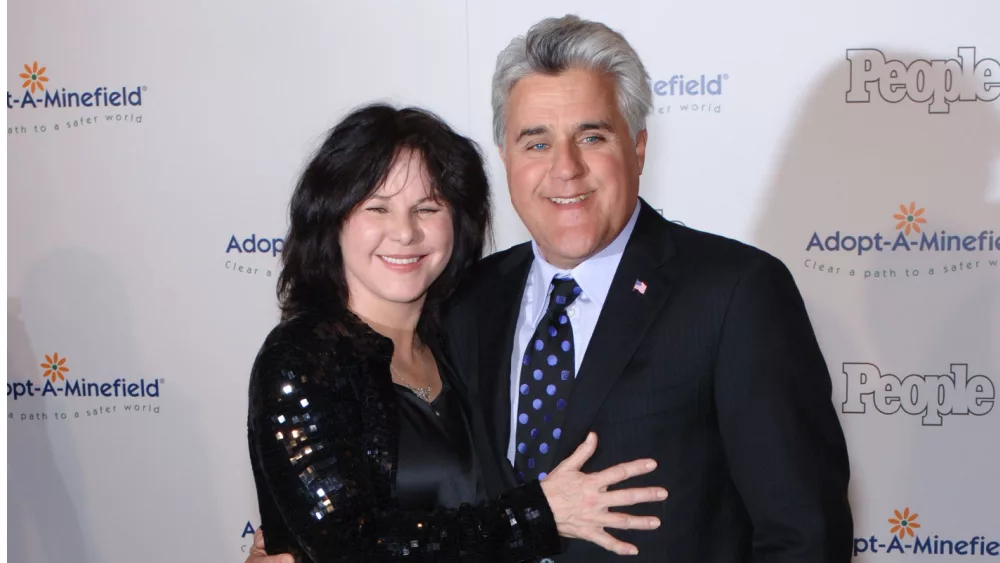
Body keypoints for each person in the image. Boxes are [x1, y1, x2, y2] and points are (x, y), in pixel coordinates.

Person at [250, 14, 854, 563]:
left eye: (592, 136)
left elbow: (806, 537)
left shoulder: (736, 294)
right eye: (536, 142)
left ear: (638, 148)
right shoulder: (467, 301)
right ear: (506, 159)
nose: (565, 168)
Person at [246, 103, 669, 563]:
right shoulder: (303, 360)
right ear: (332, 221)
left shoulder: (465, 337)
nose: (405, 233)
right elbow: (351, 546)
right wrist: (538, 514)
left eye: (427, 208)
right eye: (377, 208)